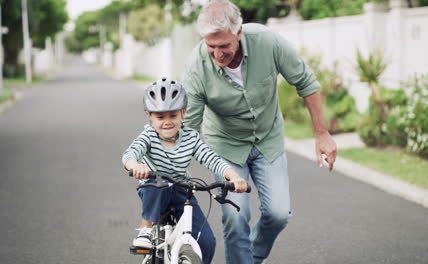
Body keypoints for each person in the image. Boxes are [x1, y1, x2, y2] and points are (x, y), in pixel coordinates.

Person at [181, 0, 338, 263]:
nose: (218, 54)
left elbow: (306, 82)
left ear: (239, 33)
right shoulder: (196, 66)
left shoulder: (268, 42)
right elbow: (190, 127)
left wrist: (321, 133)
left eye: (224, 46)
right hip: (225, 145)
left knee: (278, 214)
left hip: (268, 141)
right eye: (211, 47)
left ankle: (248, 258)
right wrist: (175, 167)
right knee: (235, 215)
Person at [122, 78, 248, 264]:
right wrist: (135, 165)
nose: (167, 122)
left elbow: (211, 158)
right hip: (155, 189)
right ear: (149, 116)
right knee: (157, 186)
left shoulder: (191, 137)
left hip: (183, 191)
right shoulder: (148, 136)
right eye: (160, 117)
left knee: (206, 243)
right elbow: (130, 154)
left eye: (173, 116)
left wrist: (234, 176)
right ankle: (146, 229)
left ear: (183, 113)